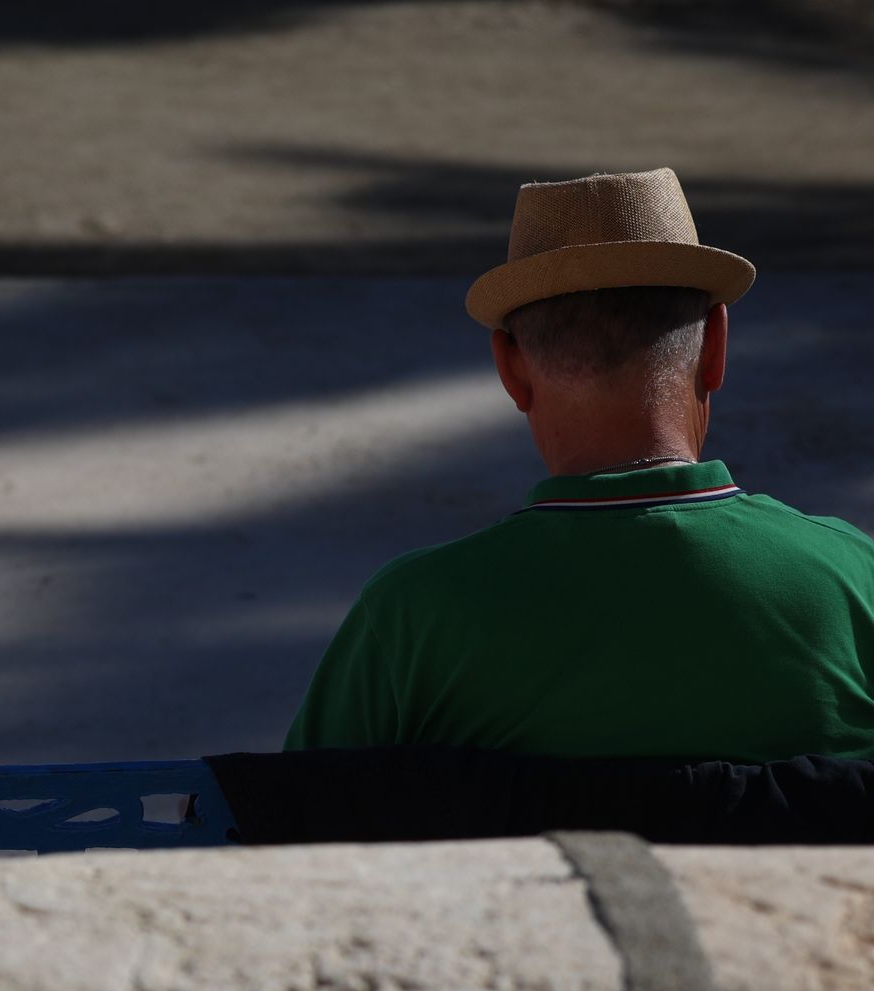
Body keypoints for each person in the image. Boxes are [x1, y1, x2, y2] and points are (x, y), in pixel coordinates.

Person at [286, 168, 874, 762]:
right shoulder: (853, 578)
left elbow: (287, 827)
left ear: (510, 370)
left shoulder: (411, 616)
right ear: (716, 348)